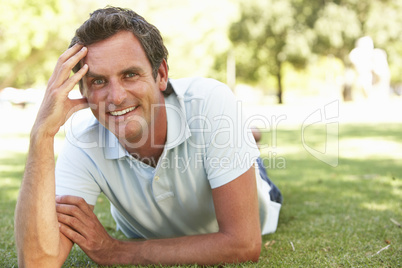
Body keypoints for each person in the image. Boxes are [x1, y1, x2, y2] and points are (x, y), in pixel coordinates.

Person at [14, 6, 282, 267]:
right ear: (83, 89)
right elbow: (39, 262)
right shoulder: (83, 140)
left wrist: (115, 251)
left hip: (257, 184)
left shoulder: (211, 101)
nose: (116, 97)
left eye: (130, 74)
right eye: (98, 81)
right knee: (222, 135)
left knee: (232, 140)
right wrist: (42, 134)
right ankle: (241, 135)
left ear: (161, 74)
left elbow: (242, 244)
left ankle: (244, 136)